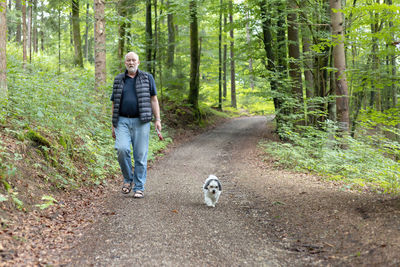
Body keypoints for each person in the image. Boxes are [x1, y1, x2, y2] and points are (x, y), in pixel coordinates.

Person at [111, 51, 162, 198]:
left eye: (133, 60)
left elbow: (154, 99)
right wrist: (113, 124)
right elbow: (114, 102)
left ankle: (139, 187)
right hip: (122, 121)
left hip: (142, 121)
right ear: (125, 63)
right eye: (128, 60)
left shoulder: (147, 78)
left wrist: (157, 119)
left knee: (140, 155)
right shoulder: (119, 79)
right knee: (121, 149)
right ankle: (128, 179)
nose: (131, 63)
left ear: (138, 62)